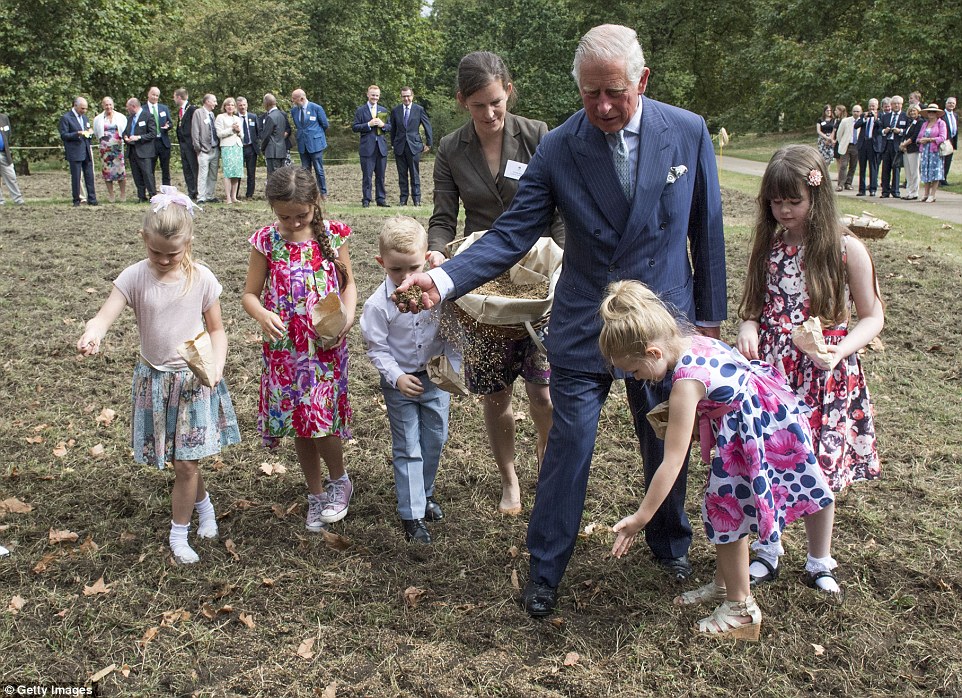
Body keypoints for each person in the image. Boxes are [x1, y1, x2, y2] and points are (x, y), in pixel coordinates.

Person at [396, 24, 727, 617]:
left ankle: (670, 543)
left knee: (662, 432)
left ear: (642, 81)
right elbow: (512, 234)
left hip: (661, 321)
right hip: (581, 324)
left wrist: (710, 322)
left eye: (615, 93)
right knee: (570, 444)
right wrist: (442, 279)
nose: (602, 106)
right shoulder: (558, 147)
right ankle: (546, 568)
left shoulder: (688, 131)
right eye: (590, 94)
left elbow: (707, 230)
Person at [603, 281, 833, 640]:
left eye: (634, 371)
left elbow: (672, 462)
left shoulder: (685, 384)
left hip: (751, 438)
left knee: (727, 514)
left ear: (652, 352)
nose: (635, 379)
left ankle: (741, 609)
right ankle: (726, 586)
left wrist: (640, 517)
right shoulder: (694, 340)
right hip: (772, 420)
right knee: (727, 510)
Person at [736, 145, 884, 592]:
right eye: (775, 202)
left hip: (826, 374)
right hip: (775, 374)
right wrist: (748, 325)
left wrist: (839, 352)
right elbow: (755, 307)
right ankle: (768, 548)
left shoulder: (845, 249)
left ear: (817, 196)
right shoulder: (770, 246)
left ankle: (820, 560)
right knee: (769, 460)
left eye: (793, 201)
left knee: (816, 467)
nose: (783, 211)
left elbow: (872, 316)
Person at [427, 51, 565, 516]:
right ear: (462, 100)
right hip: (483, 286)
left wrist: (562, 264)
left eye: (497, 103)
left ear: (509, 91)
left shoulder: (539, 136)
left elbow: (561, 213)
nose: (489, 114)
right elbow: (444, 219)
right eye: (479, 105)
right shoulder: (450, 148)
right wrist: (437, 252)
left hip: (539, 280)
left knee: (544, 390)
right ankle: (510, 481)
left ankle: (548, 472)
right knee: (495, 390)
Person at [76, 187, 241, 564]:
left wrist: (215, 366)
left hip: (193, 379)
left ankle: (179, 534)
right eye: (156, 252)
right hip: (154, 380)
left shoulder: (201, 278)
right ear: (144, 240)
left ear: (189, 243)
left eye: (173, 253)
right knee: (181, 459)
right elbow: (105, 314)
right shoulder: (134, 276)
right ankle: (205, 506)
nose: (164, 260)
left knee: (186, 462)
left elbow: (217, 330)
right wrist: (94, 333)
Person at [242, 166, 357, 530]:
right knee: (299, 423)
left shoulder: (333, 235)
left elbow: (349, 284)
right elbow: (249, 294)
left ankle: (340, 482)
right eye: (284, 216)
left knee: (321, 418)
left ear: (315, 203)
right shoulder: (266, 241)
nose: (292, 223)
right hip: (283, 352)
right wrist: (261, 314)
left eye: (300, 215)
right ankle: (316, 493)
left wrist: (348, 316)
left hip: (323, 348)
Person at [360, 216, 460, 543]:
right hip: (401, 384)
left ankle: (425, 492)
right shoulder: (378, 305)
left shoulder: (437, 294)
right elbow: (376, 347)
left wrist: (451, 367)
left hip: (434, 378)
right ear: (382, 263)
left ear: (426, 258)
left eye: (413, 268)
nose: (406, 278)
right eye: (396, 270)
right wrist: (397, 377)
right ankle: (411, 513)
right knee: (408, 446)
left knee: (435, 438)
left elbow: (451, 331)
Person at [389, 87, 433, 206]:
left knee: (414, 174)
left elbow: (427, 125)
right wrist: (393, 143)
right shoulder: (396, 110)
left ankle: (417, 199)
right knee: (402, 175)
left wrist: (429, 143)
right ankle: (403, 199)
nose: (406, 98)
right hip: (399, 146)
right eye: (404, 96)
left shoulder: (419, 109)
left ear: (412, 96)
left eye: (408, 96)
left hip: (414, 146)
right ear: (401, 97)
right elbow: (393, 129)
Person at [352, 85, 390, 207]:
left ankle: (381, 199)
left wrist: (383, 125)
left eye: (377, 95)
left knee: (381, 176)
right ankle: (366, 200)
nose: (375, 97)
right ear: (368, 95)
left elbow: (390, 127)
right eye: (373, 95)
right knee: (367, 176)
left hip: (381, 148)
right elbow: (355, 127)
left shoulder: (383, 110)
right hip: (367, 148)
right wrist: (368, 124)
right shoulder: (360, 110)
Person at [58, 96, 99, 206]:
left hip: (86, 150)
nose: (84, 111)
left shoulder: (84, 118)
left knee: (89, 175)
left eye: (85, 109)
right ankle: (76, 199)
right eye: (82, 108)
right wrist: (77, 134)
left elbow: (87, 130)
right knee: (76, 177)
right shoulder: (66, 118)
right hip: (74, 151)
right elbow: (64, 135)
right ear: (75, 106)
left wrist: (89, 132)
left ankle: (92, 199)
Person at [290, 89, 330, 197]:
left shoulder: (316, 108)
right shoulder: (294, 111)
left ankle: (323, 192)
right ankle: (308, 192)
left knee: (318, 169)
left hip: (316, 144)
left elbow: (325, 124)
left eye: (294, 99)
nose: (292, 101)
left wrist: (315, 134)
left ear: (301, 98)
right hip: (302, 144)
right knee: (305, 170)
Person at [92, 97, 127, 203]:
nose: (108, 107)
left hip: (117, 148)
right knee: (107, 173)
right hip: (105, 149)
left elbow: (125, 129)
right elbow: (96, 132)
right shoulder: (98, 119)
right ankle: (111, 194)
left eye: (110, 104)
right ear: (103, 106)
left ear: (113, 105)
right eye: (106, 105)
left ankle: (123, 194)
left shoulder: (120, 117)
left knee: (121, 172)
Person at [123, 97, 158, 203]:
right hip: (132, 150)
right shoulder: (130, 118)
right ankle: (141, 196)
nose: (127, 110)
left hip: (144, 151)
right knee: (136, 174)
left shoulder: (148, 116)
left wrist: (139, 137)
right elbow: (125, 131)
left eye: (128, 108)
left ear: (133, 106)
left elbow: (152, 133)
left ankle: (153, 195)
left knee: (147, 174)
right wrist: (125, 137)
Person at [191, 93, 220, 203]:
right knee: (203, 174)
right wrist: (198, 148)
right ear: (207, 101)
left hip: (214, 148)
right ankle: (201, 197)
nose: (216, 104)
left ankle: (210, 195)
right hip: (204, 150)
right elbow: (195, 132)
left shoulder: (212, 114)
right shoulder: (198, 113)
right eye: (214, 101)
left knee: (213, 174)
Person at [215, 97, 243, 204]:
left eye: (232, 105)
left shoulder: (237, 118)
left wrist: (239, 131)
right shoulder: (220, 117)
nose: (230, 107)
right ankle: (228, 197)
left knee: (236, 173)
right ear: (224, 107)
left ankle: (234, 196)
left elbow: (242, 135)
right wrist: (232, 129)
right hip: (227, 146)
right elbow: (220, 134)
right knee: (228, 172)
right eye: (228, 105)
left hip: (237, 146)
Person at [917, 103, 948, 203]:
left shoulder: (941, 123)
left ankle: (932, 194)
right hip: (925, 151)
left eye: (933, 112)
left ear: (937, 113)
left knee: (935, 172)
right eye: (929, 112)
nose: (931, 113)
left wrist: (930, 140)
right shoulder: (925, 124)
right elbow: (919, 137)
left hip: (935, 151)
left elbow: (943, 137)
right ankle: (926, 194)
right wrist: (920, 141)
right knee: (925, 172)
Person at [173, 89, 199, 200]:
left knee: (194, 168)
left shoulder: (192, 109)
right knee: (186, 169)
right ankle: (191, 190)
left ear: (179, 97)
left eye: (174, 97)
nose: (174, 99)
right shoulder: (181, 110)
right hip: (183, 145)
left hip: (191, 144)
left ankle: (197, 190)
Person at [879, 95, 907, 198]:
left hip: (897, 145)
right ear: (891, 105)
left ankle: (895, 191)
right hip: (887, 144)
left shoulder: (905, 116)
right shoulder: (885, 116)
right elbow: (879, 129)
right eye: (894, 103)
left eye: (898, 104)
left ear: (901, 105)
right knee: (885, 169)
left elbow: (908, 130)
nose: (896, 105)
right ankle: (885, 191)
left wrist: (900, 131)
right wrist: (884, 131)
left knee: (896, 168)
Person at [854, 98, 882, 196]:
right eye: (870, 105)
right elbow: (856, 125)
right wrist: (864, 118)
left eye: (873, 106)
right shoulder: (863, 115)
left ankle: (873, 188)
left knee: (873, 167)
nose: (871, 108)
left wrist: (875, 118)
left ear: (877, 106)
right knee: (862, 167)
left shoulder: (880, 115)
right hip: (863, 143)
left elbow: (880, 127)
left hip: (873, 144)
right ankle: (861, 189)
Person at [146, 86, 173, 187]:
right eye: (153, 94)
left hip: (163, 142)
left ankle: (167, 191)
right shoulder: (143, 109)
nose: (155, 97)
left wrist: (168, 126)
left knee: (165, 169)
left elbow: (170, 123)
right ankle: (152, 192)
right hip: (150, 143)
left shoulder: (163, 108)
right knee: (150, 169)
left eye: (157, 96)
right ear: (148, 94)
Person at [0, 111, 25, 206]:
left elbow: (8, 134)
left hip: (3, 153)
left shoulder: (4, 118)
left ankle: (18, 199)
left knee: (11, 176)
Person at [260, 94, 289, 177]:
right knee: (281, 177)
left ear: (266, 103)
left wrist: (262, 148)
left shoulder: (270, 117)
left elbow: (266, 135)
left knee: (272, 177)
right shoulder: (282, 115)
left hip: (272, 151)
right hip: (282, 150)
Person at [237, 97, 260, 199]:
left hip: (251, 148)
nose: (242, 107)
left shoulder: (253, 117)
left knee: (251, 172)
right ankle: (235, 194)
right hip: (238, 148)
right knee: (237, 172)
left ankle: (249, 194)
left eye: (244, 105)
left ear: (247, 105)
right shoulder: (234, 118)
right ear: (237, 106)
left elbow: (258, 131)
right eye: (240, 105)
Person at [900, 104, 923, 200]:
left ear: (918, 111)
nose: (912, 113)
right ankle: (909, 191)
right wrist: (903, 145)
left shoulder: (920, 122)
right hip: (906, 150)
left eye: (914, 111)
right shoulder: (911, 122)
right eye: (911, 111)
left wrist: (904, 144)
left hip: (914, 149)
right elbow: (906, 134)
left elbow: (914, 136)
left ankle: (915, 192)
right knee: (908, 172)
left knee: (914, 172)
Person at [834, 104, 859, 191]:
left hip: (856, 146)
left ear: (861, 112)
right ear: (852, 112)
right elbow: (839, 134)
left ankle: (848, 183)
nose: (856, 113)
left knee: (853, 165)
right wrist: (842, 143)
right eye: (854, 111)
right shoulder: (845, 121)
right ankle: (840, 184)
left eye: (858, 111)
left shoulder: (862, 121)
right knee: (843, 165)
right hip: (846, 146)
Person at [941, 96, 957, 185]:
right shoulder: (942, 115)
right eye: (949, 103)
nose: (951, 105)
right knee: (942, 160)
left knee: (948, 161)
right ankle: (940, 179)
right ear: (946, 104)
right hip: (943, 140)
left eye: (953, 103)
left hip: (951, 141)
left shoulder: (955, 115)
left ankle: (944, 178)